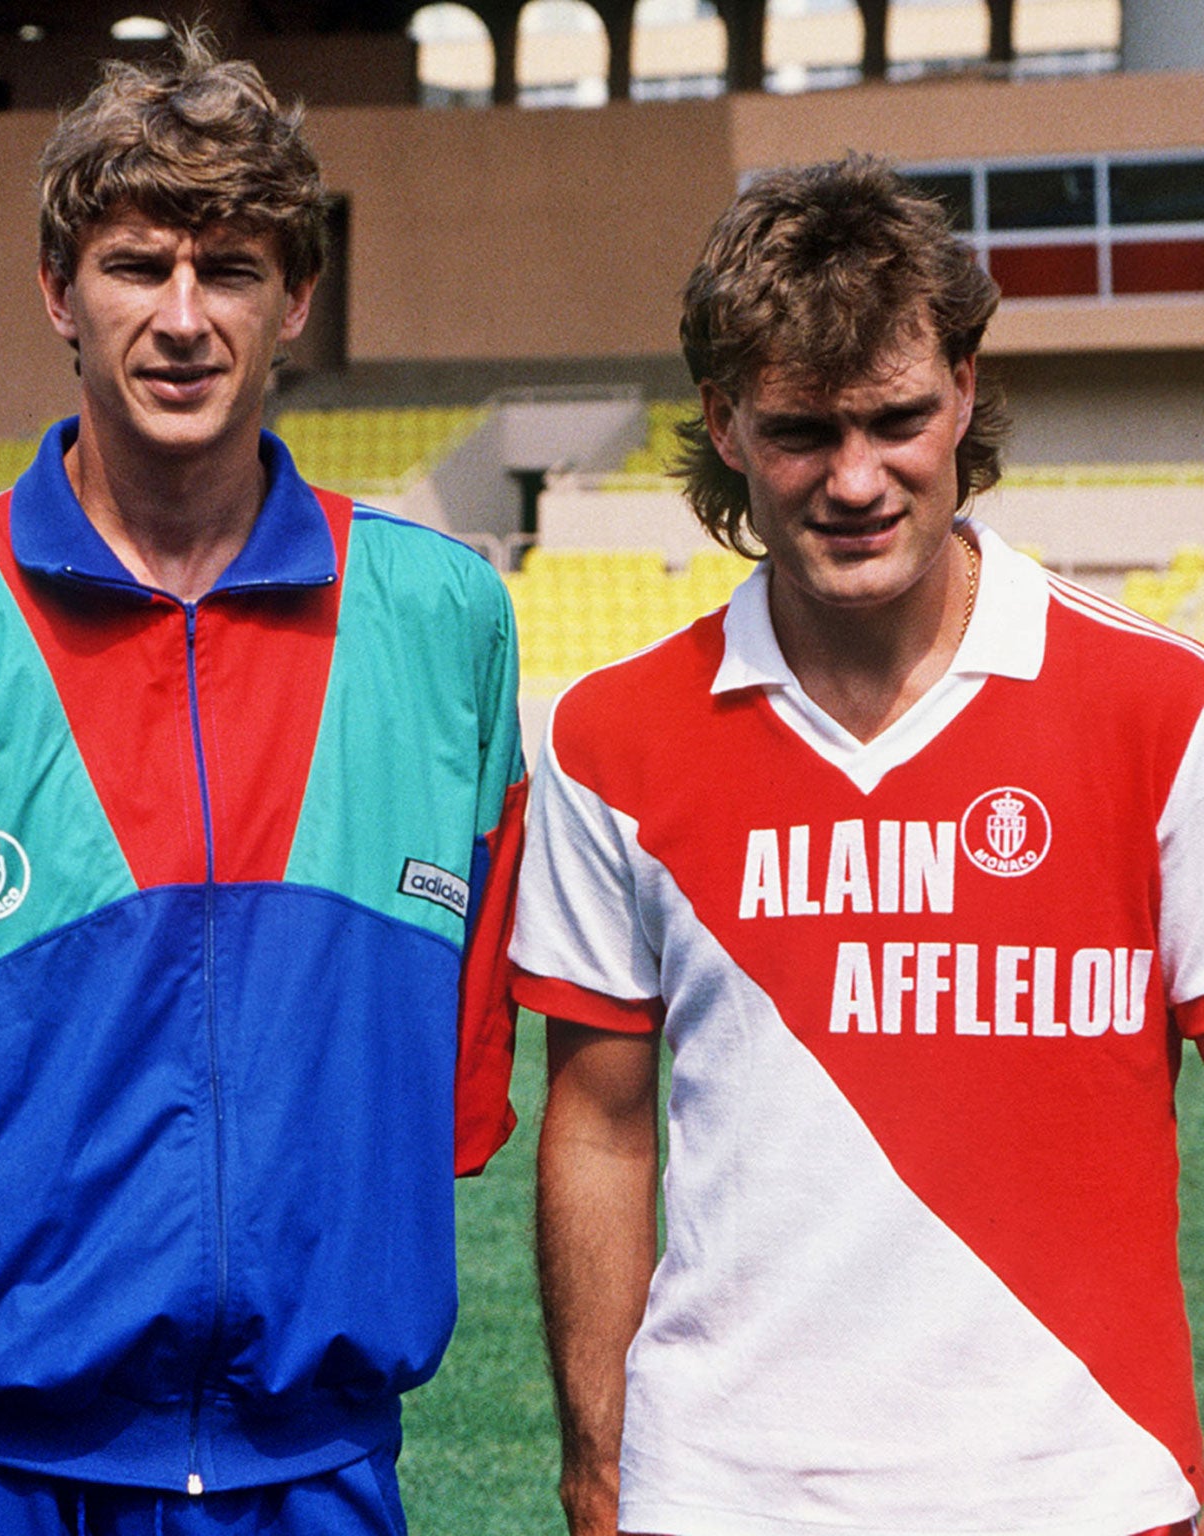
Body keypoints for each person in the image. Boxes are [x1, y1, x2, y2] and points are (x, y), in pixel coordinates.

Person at [0, 29, 526, 1536]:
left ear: (298, 296)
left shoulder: (443, 621)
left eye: (228, 268)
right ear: (57, 291)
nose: (180, 317)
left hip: (315, 1468)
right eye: (134, 264)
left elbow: (457, 1094)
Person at [515, 152, 1204, 1536]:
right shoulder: (607, 738)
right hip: (723, 1496)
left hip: (1080, 1488)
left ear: (963, 389)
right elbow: (596, 1122)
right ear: (721, 421)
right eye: (801, 432)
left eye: (896, 420)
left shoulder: (1162, 711)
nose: (856, 480)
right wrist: (601, 1471)